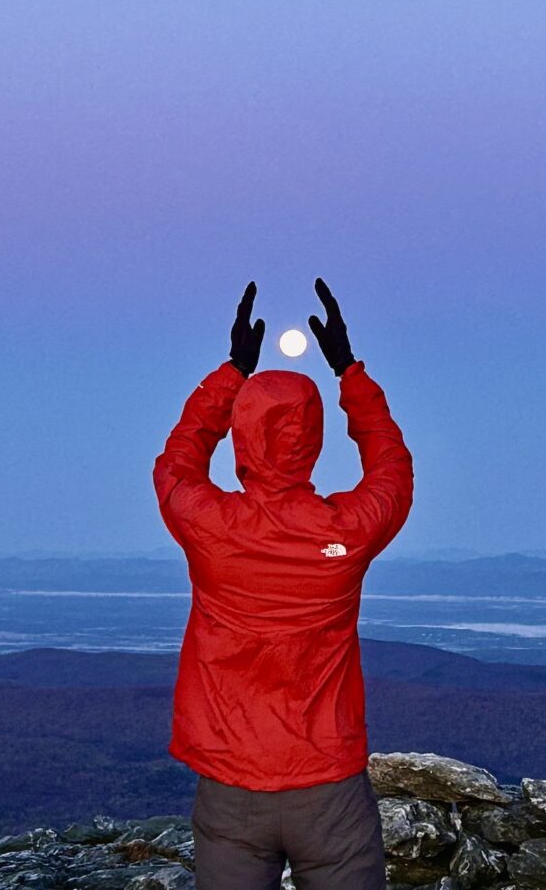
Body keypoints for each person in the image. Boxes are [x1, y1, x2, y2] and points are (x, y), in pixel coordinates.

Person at [152, 277, 415, 890]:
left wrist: (232, 373)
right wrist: (349, 371)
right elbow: (392, 468)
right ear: (314, 439)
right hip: (330, 790)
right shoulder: (346, 532)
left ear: (244, 434)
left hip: (230, 787)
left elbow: (177, 462)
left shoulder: (209, 526)